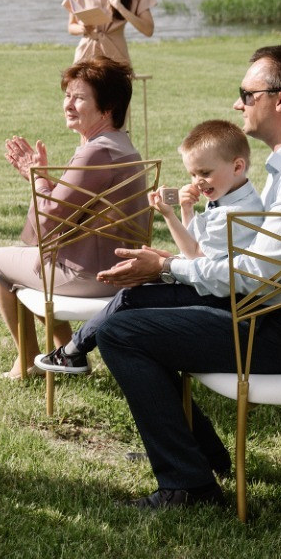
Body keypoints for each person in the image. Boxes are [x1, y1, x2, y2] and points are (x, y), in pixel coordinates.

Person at [94, 45, 281, 509]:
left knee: (124, 334)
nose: (237, 103)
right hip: (278, 311)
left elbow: (257, 275)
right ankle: (199, 457)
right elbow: (262, 265)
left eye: (246, 93)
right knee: (137, 305)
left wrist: (168, 266)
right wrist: (174, 266)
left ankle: (190, 485)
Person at [35, 118, 262, 375]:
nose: (198, 181)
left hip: (219, 295)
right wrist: (187, 210)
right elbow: (199, 244)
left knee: (131, 297)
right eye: (193, 174)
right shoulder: (231, 197)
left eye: (205, 173)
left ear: (237, 166)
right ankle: (73, 350)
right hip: (210, 285)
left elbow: (196, 254)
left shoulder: (234, 212)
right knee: (137, 290)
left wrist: (169, 215)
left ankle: (72, 352)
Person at [0, 57, 145, 379]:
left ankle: (27, 360)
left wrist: (37, 178)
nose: (68, 104)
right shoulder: (122, 146)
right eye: (67, 95)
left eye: (79, 97)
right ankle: (69, 353)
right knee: (37, 260)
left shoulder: (95, 151)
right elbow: (75, 212)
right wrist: (44, 179)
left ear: (108, 106)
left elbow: (50, 223)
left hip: (92, 275)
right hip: (118, 270)